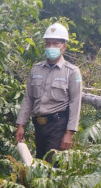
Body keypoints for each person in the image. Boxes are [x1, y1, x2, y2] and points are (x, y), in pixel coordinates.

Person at [15, 22, 82, 159]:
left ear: (64, 46)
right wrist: (21, 125)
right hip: (39, 126)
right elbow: (28, 98)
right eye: (48, 43)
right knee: (39, 161)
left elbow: (75, 103)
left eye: (55, 43)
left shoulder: (72, 72)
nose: (51, 47)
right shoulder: (36, 69)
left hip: (58, 126)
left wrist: (69, 133)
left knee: (51, 164)